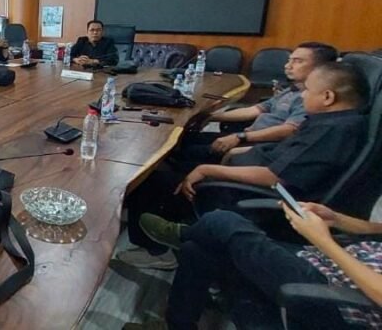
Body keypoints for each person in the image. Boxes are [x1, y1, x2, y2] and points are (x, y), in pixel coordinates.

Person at [119, 62, 369, 270]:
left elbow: (275, 177)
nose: (302, 95)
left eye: (308, 90)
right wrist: (239, 148)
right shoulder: (333, 122)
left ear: (328, 97)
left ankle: (156, 252)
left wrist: (208, 170)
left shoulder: (331, 131)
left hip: (254, 194)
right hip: (246, 172)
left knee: (150, 179)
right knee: (173, 159)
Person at [130, 204, 382, 330]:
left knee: (222, 222)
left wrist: (323, 240)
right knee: (197, 251)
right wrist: (337, 219)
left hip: (338, 297)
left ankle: (181, 233)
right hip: (329, 260)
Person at [178, 42, 338, 164]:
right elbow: (256, 110)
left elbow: (290, 130)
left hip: (258, 147)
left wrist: (241, 137)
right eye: (289, 60)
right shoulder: (293, 89)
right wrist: (211, 116)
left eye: (297, 61)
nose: (287, 66)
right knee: (183, 138)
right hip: (247, 136)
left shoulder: (311, 99)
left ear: (321, 67)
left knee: (181, 151)